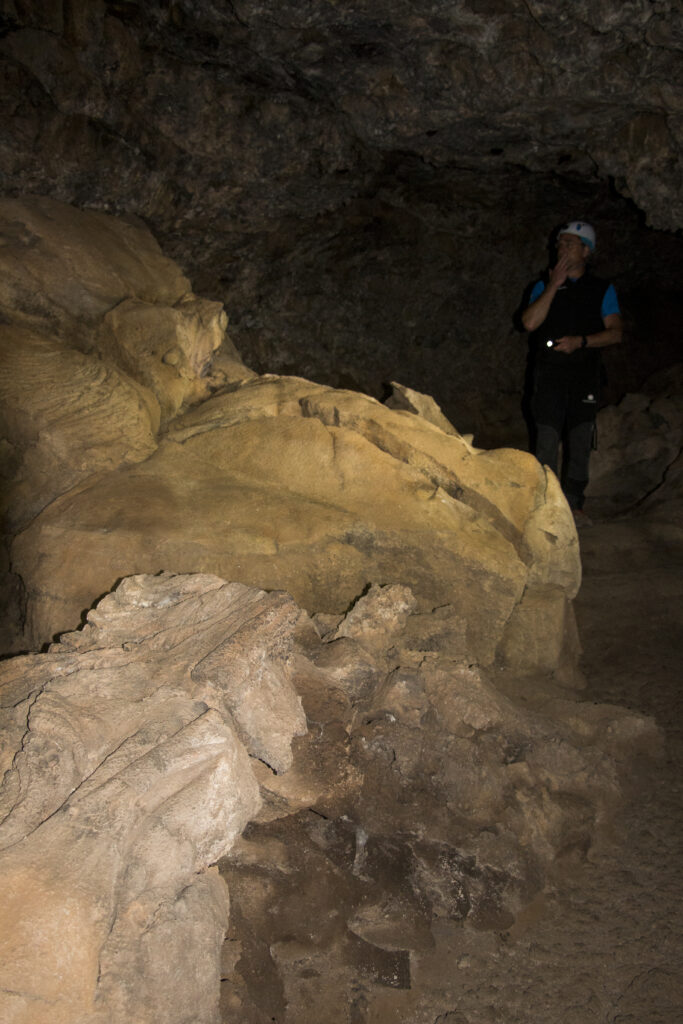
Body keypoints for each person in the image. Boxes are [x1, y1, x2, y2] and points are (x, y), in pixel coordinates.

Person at [521, 220, 623, 525]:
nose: (561, 248)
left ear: (586, 250)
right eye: (559, 243)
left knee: (580, 439)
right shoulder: (542, 285)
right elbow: (529, 323)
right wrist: (554, 285)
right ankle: (545, 504)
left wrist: (582, 342)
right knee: (547, 438)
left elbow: (616, 332)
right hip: (549, 374)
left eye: (569, 243)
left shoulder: (602, 289)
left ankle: (575, 504)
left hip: (584, 375)